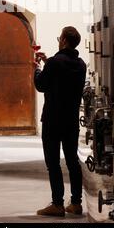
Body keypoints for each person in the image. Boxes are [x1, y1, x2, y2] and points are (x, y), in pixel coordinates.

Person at [34, 26, 86, 217]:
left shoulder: (55, 63)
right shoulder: (80, 64)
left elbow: (41, 85)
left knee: (53, 163)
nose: (58, 40)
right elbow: (61, 76)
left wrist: (38, 69)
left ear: (63, 40)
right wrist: (49, 62)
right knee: (73, 161)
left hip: (53, 120)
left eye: (59, 38)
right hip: (71, 120)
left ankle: (57, 204)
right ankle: (76, 203)